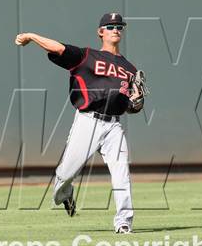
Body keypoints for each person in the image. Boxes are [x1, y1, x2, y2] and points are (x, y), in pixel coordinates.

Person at [15, 12, 144, 234]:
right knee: (66, 174)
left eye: (119, 27)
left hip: (114, 125)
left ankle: (124, 222)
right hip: (88, 121)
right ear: (100, 31)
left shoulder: (130, 69)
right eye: (110, 26)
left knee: (121, 172)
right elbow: (57, 48)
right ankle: (64, 191)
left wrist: (136, 103)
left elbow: (132, 106)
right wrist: (32, 36)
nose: (115, 30)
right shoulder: (86, 56)